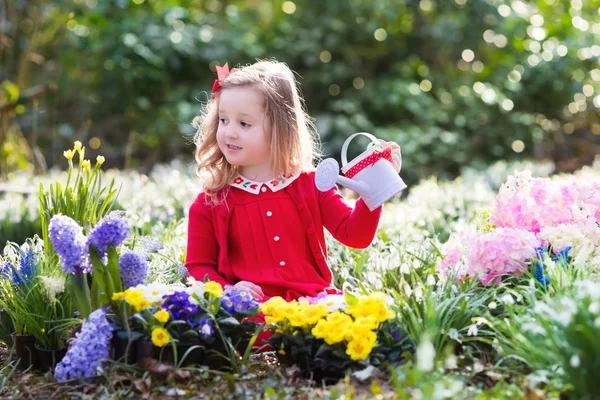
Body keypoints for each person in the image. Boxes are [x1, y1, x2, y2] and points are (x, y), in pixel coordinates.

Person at [185, 60, 401, 302]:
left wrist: (374, 191)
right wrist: (228, 290)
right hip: (250, 314)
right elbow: (197, 266)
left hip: (313, 307)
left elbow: (356, 236)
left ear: (281, 128)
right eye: (223, 120)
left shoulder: (312, 184)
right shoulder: (212, 199)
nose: (230, 132)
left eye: (244, 123)